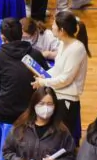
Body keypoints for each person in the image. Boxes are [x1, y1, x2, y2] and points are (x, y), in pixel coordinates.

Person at [0, 18, 50, 159]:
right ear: (21, 33)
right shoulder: (35, 54)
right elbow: (47, 78)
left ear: (2, 37)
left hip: (7, 111)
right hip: (32, 109)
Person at [32, 11, 90, 141]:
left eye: (54, 24)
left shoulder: (77, 49)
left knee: (61, 138)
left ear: (62, 30)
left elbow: (65, 79)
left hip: (67, 99)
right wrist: (42, 77)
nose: (51, 26)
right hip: (57, 92)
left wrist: (44, 82)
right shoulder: (63, 43)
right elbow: (57, 69)